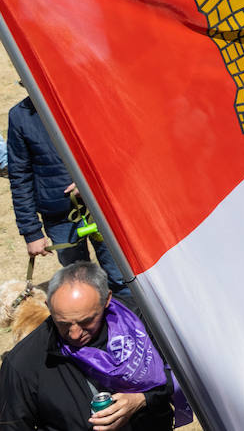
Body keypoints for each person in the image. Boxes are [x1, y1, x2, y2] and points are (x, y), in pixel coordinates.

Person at [0, 261, 181, 430]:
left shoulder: (139, 322)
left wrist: (142, 399)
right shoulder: (22, 363)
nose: (75, 334)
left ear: (106, 300)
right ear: (49, 306)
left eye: (86, 321)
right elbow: (11, 425)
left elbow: (183, 374)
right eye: (63, 323)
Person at [5, 96, 130, 297]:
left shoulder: (83, 99)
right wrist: (31, 231)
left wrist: (91, 181)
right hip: (60, 219)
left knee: (122, 278)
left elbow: (117, 146)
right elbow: (20, 177)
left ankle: (133, 325)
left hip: (102, 208)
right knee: (82, 287)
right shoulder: (20, 116)